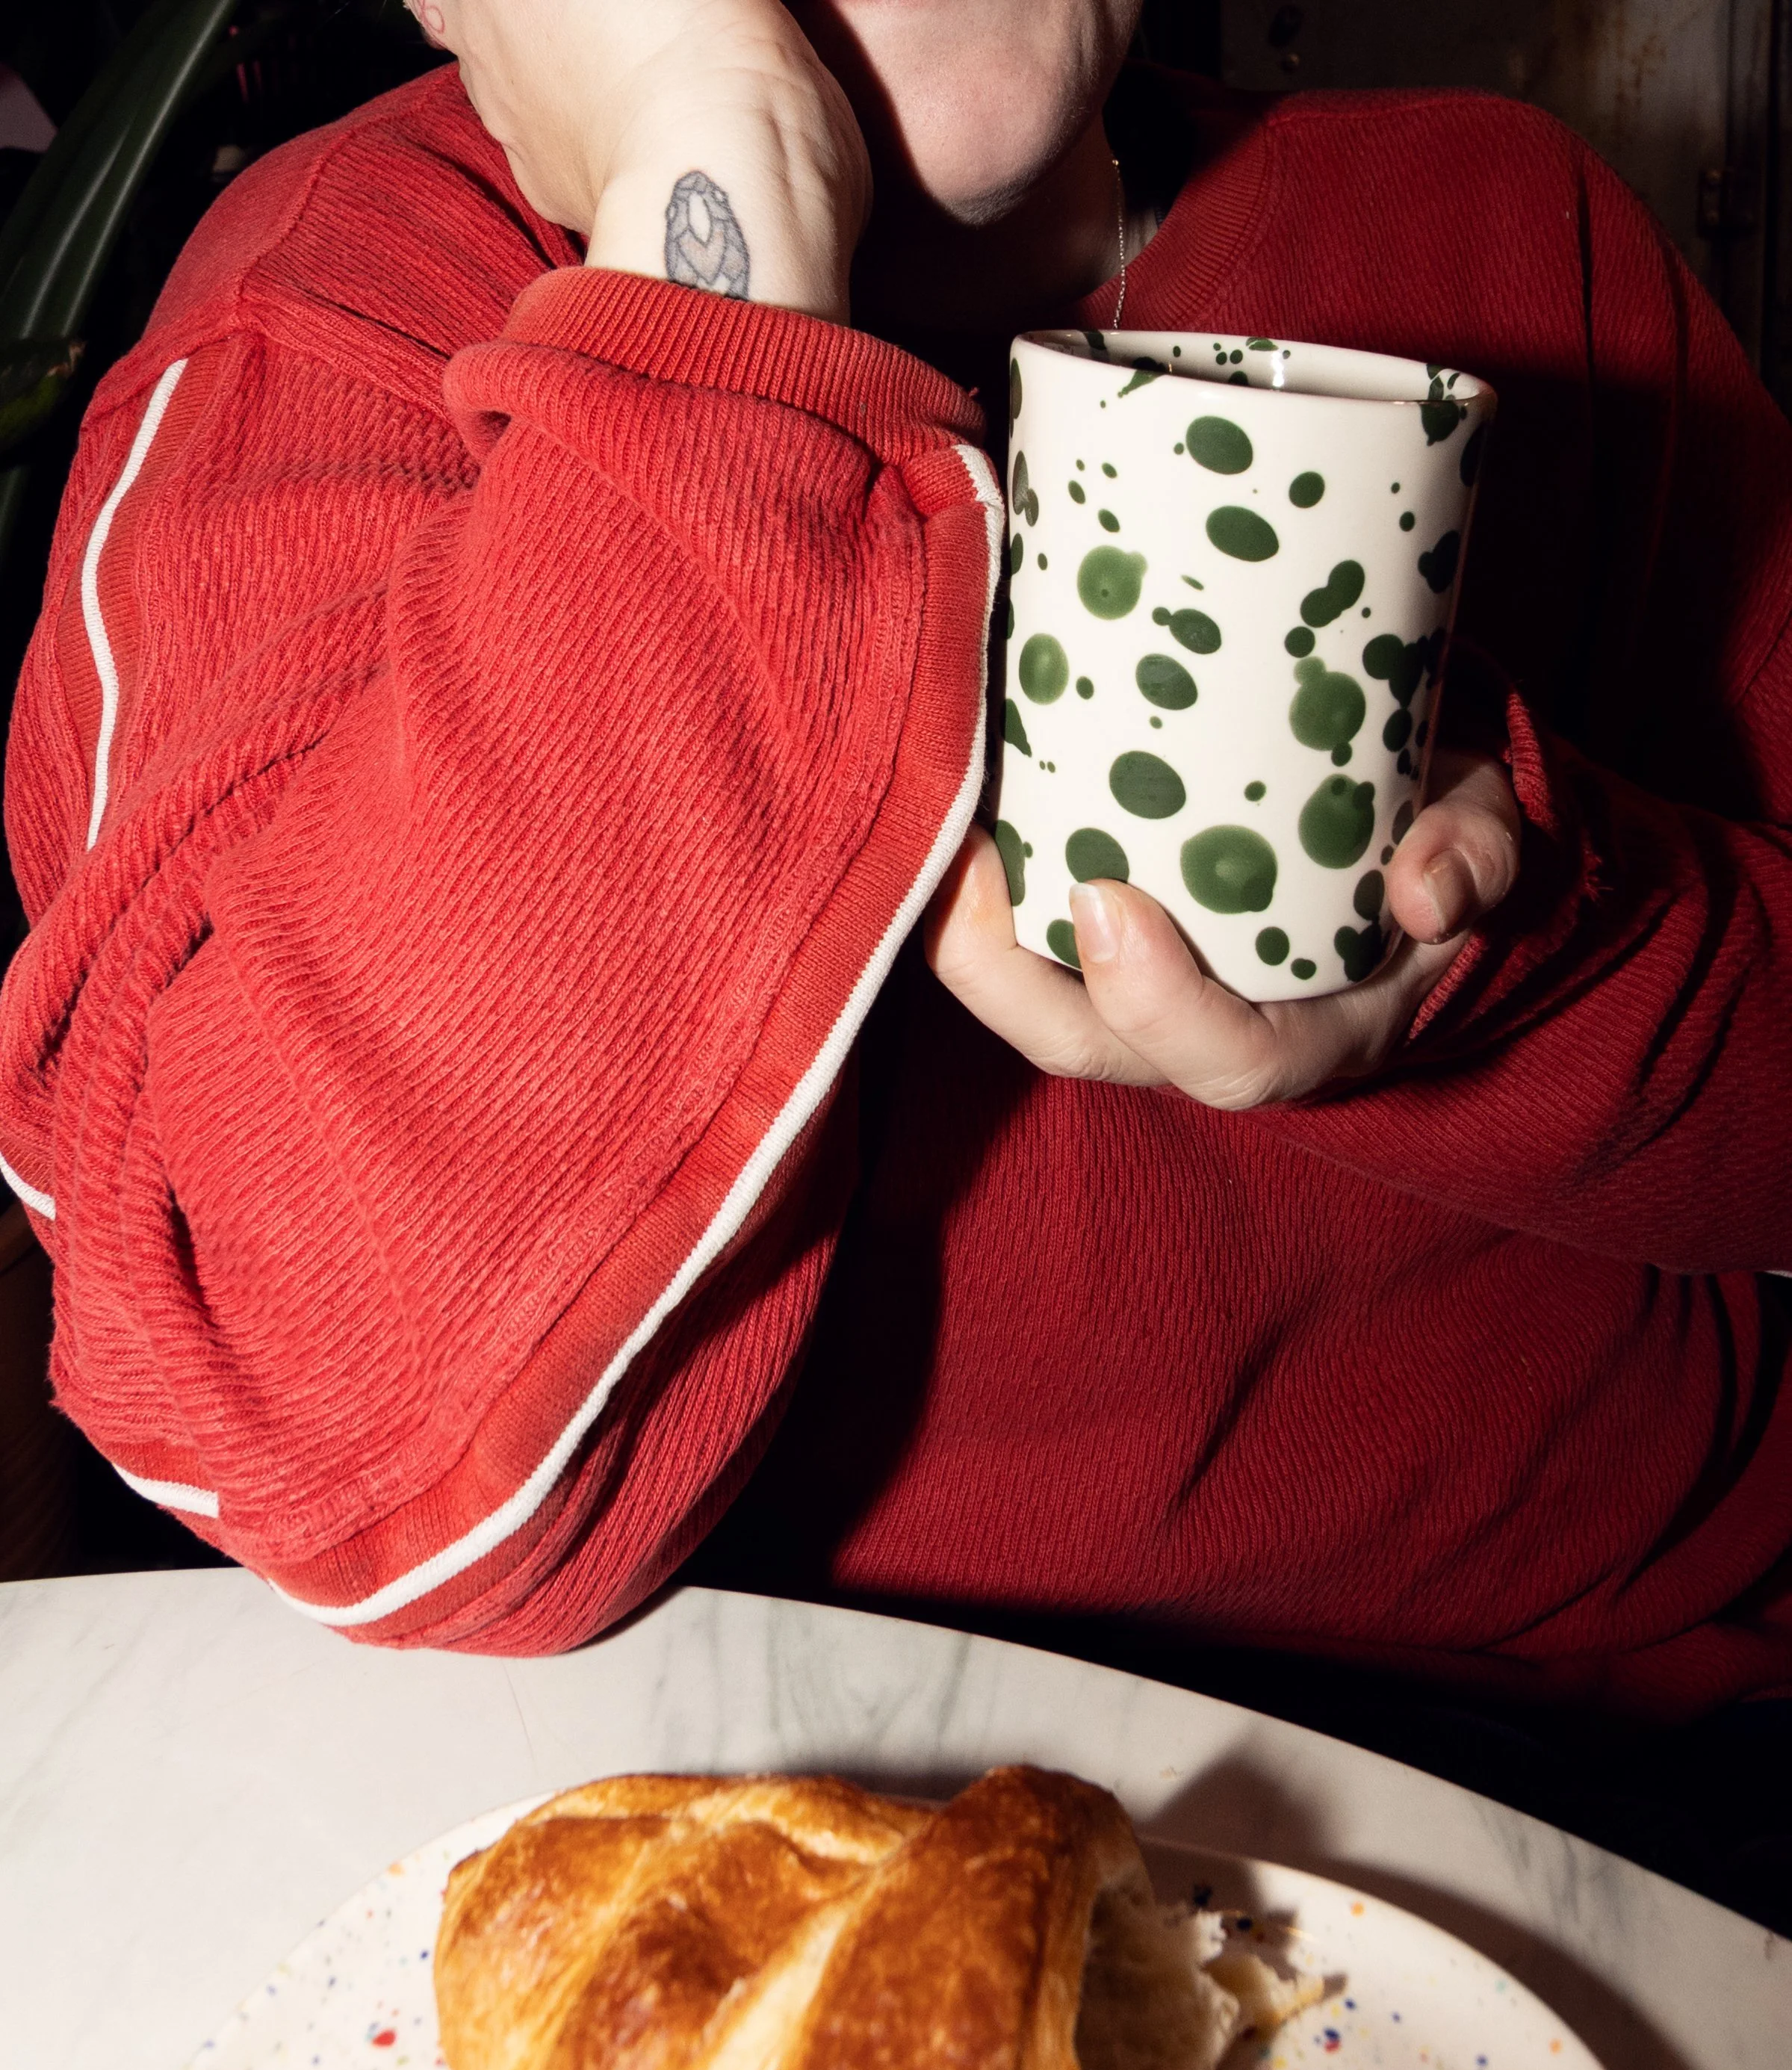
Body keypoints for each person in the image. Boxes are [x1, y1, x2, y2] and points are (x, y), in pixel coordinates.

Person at [1, 2, 1788, 1821]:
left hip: (1587, 1747)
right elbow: (347, 1461)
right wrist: (722, 231)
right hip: (761, 1778)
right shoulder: (326, 326)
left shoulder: (1510, 229)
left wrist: (1525, 940)